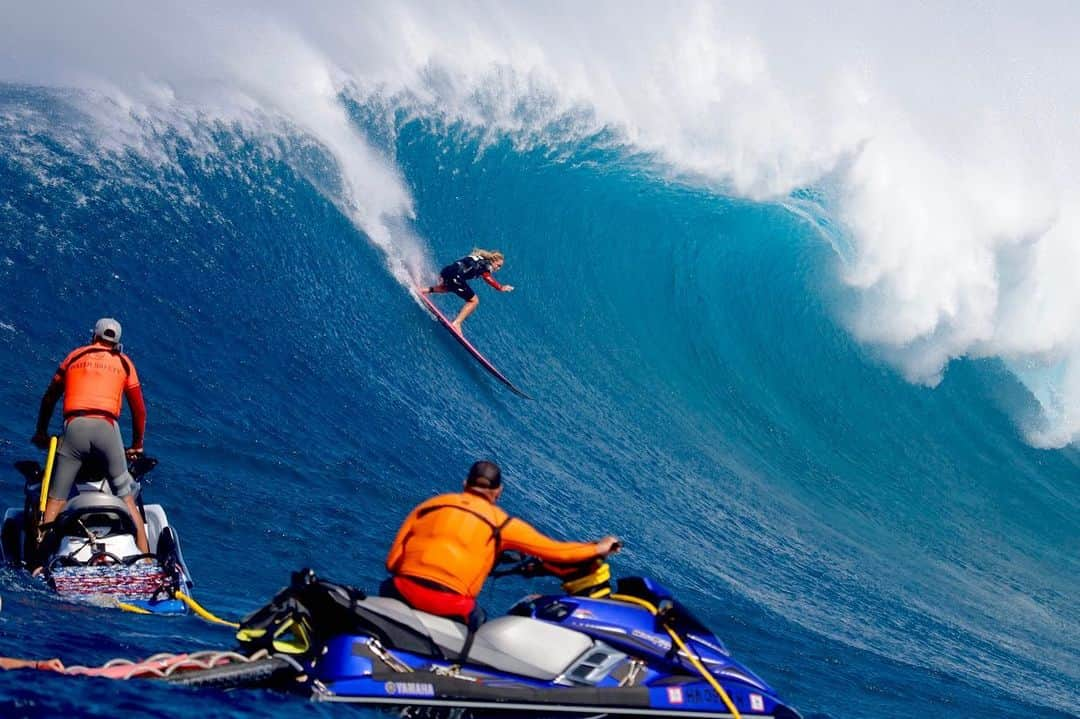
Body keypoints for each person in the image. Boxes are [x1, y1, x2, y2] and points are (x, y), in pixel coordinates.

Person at [383, 460, 620, 625]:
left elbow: (392, 562)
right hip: (451, 606)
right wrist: (599, 547)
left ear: (465, 484)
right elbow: (557, 552)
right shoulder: (502, 525)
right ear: (498, 492)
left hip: (399, 591)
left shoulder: (430, 505)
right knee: (482, 625)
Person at [31, 318, 149, 556]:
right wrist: (137, 445)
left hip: (74, 428)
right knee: (127, 497)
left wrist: (41, 433)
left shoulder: (74, 357)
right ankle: (145, 560)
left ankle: (39, 560)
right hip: (107, 428)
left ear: (94, 336)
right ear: (117, 342)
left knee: (55, 500)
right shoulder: (124, 363)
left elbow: (49, 398)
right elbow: (139, 411)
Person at [422, 249, 515, 332]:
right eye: (498, 266)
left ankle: (423, 290)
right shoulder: (487, 265)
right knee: (474, 301)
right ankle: (457, 323)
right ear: (493, 261)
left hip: (447, 270)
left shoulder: (477, 257)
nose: (498, 269)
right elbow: (487, 277)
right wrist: (500, 287)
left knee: (448, 287)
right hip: (456, 277)